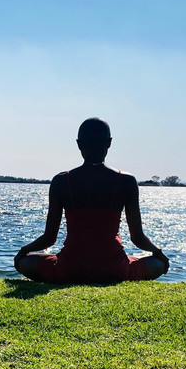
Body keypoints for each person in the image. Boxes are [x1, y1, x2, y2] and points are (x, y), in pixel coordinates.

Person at [15, 118, 169, 283]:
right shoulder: (126, 181)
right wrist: (158, 252)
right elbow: (137, 238)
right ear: (109, 143)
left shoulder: (61, 181)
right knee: (157, 263)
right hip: (115, 270)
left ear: (79, 144)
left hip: (69, 269)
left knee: (26, 262)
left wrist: (24, 251)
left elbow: (49, 238)